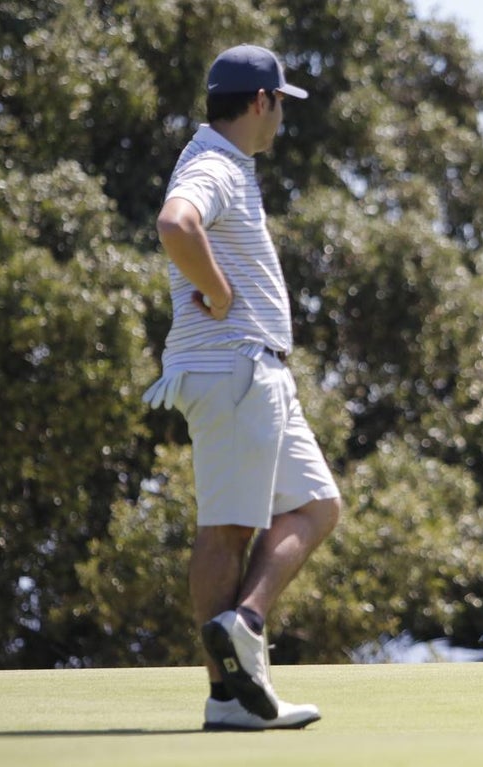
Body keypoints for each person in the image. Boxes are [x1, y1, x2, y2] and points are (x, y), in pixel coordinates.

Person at [142, 44, 340, 731]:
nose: (282, 116)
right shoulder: (214, 164)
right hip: (236, 368)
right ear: (261, 101)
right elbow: (176, 222)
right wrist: (220, 293)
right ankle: (228, 697)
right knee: (227, 529)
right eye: (280, 103)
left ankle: (244, 628)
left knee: (316, 504)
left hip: (253, 371)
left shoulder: (225, 162)